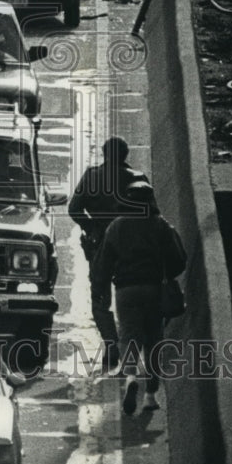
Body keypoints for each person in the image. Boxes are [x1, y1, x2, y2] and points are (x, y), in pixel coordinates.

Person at [92, 182, 187, 414]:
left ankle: (131, 377)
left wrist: (99, 289)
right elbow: (179, 259)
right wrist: (165, 274)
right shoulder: (161, 226)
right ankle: (150, 396)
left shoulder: (116, 227)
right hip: (154, 289)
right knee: (154, 340)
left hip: (125, 291)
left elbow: (102, 265)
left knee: (129, 336)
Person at [68, 137, 149, 370]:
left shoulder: (92, 177)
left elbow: (74, 208)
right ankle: (130, 347)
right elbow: (151, 213)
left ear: (104, 154)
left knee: (101, 299)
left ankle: (111, 346)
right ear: (126, 155)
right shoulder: (137, 179)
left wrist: (91, 226)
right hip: (132, 249)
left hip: (100, 246)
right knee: (131, 297)